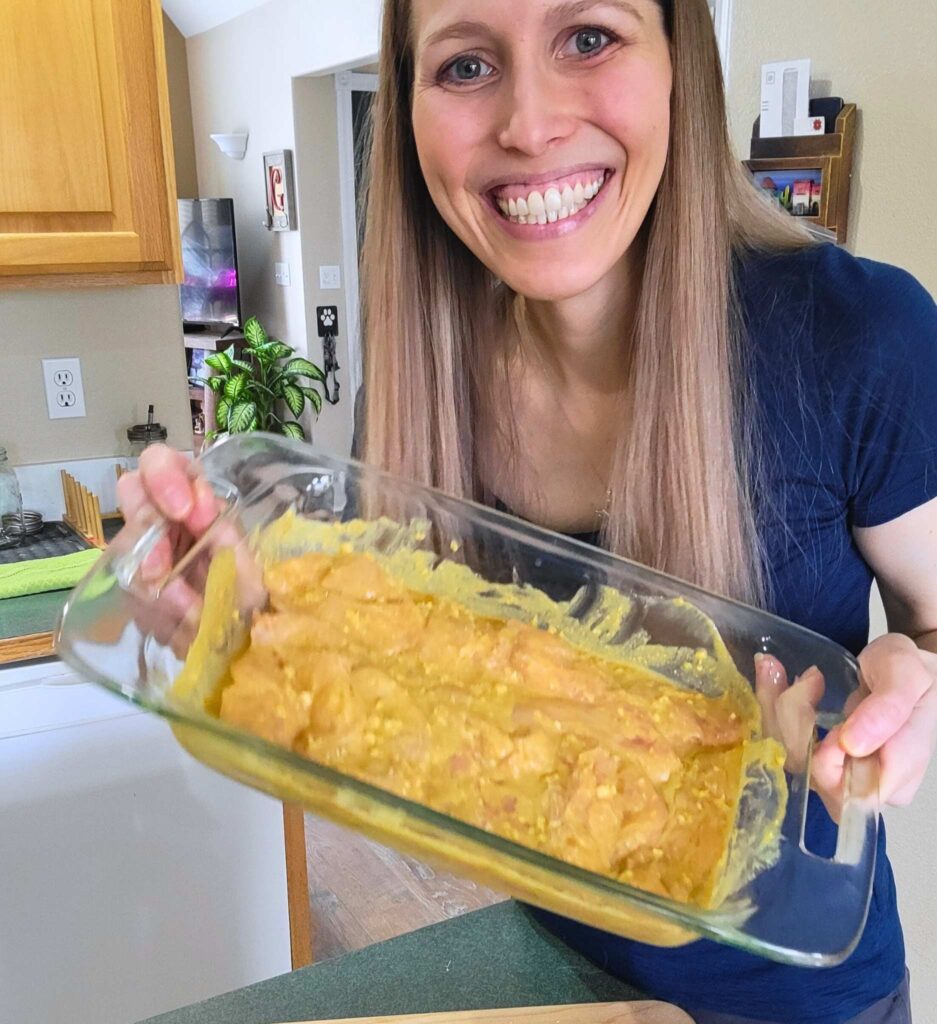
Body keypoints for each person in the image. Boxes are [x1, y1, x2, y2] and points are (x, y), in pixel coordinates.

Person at [118, 0, 937, 1020]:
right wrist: (239, 626)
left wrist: (918, 681)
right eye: (465, 65)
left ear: (680, 63)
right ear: (411, 108)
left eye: (588, 37)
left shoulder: (858, 335)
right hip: (551, 970)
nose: (531, 122)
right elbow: (392, 701)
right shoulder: (423, 381)